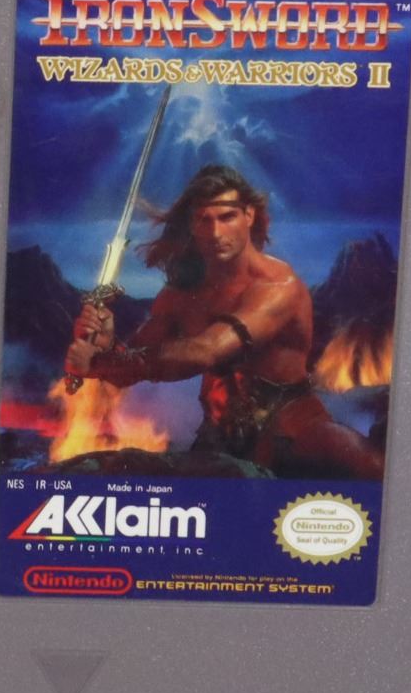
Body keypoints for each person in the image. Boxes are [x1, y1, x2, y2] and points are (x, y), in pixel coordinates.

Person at [65, 164, 385, 480]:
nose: (216, 233)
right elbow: (134, 364)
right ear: (192, 224)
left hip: (291, 432)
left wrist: (102, 364)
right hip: (218, 441)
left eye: (227, 217)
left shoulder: (278, 286)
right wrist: (106, 347)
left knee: (368, 467)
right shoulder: (180, 295)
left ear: (249, 215)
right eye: (204, 220)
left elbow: (206, 352)